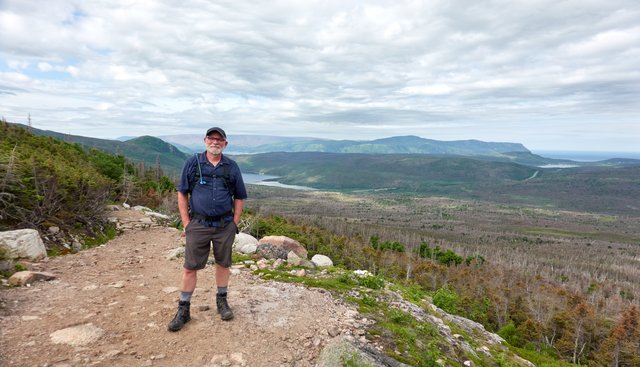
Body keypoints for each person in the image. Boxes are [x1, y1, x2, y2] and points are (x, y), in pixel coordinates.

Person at [167, 127, 248, 332]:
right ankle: (183, 310)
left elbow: (240, 196)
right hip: (199, 224)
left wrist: (234, 222)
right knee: (189, 267)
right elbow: (182, 193)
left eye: (219, 140)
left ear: (225, 144)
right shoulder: (193, 163)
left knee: (223, 263)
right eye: (211, 139)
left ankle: (222, 301)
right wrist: (186, 223)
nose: (215, 142)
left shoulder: (231, 166)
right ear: (205, 141)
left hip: (224, 225)